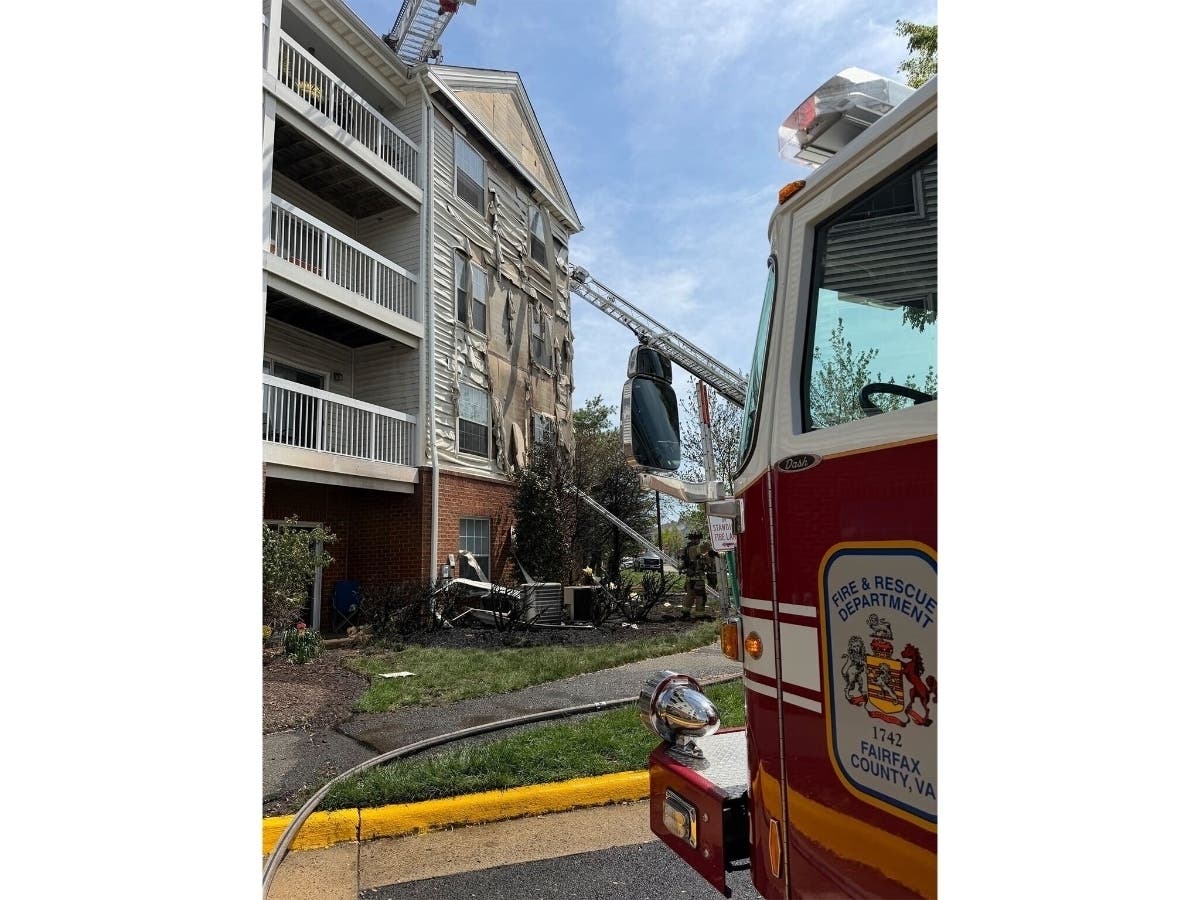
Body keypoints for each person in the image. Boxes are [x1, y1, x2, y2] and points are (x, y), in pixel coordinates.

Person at [680, 531, 707, 619]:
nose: (700, 540)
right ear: (695, 539)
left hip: (689, 577)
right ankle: (700, 614)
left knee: (690, 594)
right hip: (698, 576)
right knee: (700, 595)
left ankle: (685, 611)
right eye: (699, 539)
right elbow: (709, 550)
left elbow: (681, 565)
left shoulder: (685, 549)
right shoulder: (698, 548)